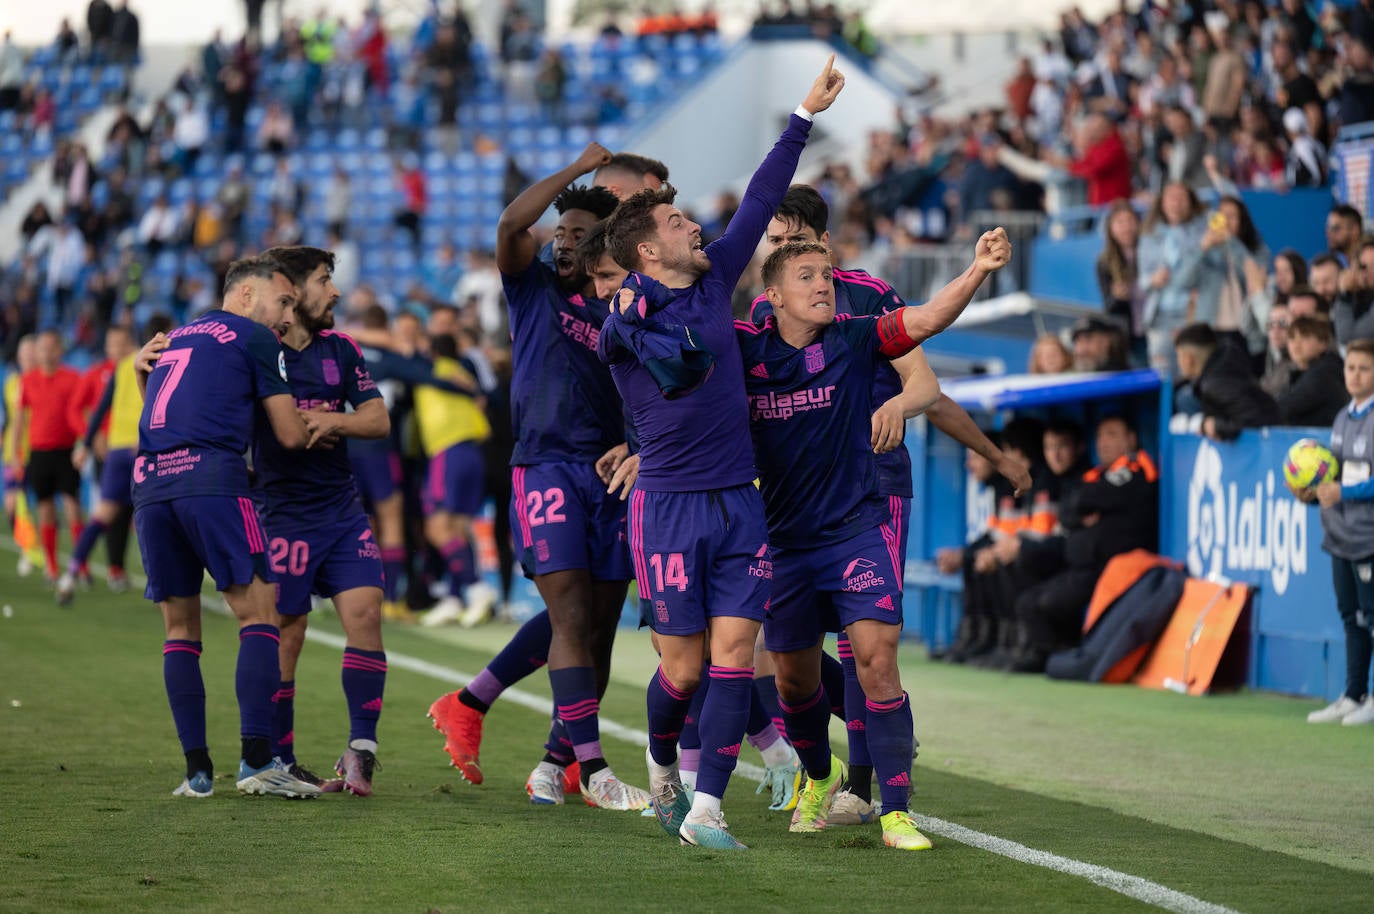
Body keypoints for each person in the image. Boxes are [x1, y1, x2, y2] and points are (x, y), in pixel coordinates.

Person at [598, 55, 846, 850]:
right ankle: (661, 759)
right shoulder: (625, 319)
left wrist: (803, 115)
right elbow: (619, 341)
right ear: (646, 252)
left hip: (740, 497)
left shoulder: (712, 284)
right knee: (685, 671)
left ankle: (706, 809)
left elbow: (762, 199)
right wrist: (631, 307)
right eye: (674, 223)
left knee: (738, 651)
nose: (693, 225)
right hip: (667, 507)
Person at [747, 183, 1028, 822]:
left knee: (867, 643)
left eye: (787, 238)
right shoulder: (767, 316)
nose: (778, 248)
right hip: (797, 502)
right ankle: (869, 738)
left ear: (819, 240)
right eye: (771, 241)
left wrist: (910, 411)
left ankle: (867, 786)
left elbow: (926, 380)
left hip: (875, 485)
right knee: (786, 655)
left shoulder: (866, 300)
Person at [431, 143, 646, 812]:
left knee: (601, 625)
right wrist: (574, 175)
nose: (563, 244)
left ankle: (552, 763)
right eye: (560, 232)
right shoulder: (532, 289)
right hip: (546, 465)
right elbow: (507, 228)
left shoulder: (623, 307)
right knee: (570, 612)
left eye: (578, 236)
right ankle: (597, 768)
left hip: (611, 473)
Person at [131, 254, 320, 799]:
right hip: (212, 480)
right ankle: (258, 761)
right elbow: (287, 434)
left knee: (180, 629)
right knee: (261, 614)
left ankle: (195, 773)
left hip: (151, 484)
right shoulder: (255, 339)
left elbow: (163, 406)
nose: (289, 314)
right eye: (283, 301)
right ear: (244, 295)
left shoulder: (178, 336)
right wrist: (328, 423)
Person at [254, 246, 391, 796]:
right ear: (293, 289)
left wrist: (329, 419)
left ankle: (361, 750)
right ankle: (281, 759)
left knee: (366, 611)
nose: (334, 291)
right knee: (289, 634)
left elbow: (377, 418)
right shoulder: (259, 351)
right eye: (323, 280)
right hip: (281, 515)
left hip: (340, 511)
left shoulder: (342, 350)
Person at [1008, 416, 1158, 672]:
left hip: (1111, 569)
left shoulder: (1136, 467)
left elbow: (1089, 497)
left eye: (1112, 434)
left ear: (1131, 439)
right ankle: (1051, 654)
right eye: (1100, 435)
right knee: (1027, 601)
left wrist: (1086, 507)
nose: (1104, 442)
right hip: (1081, 566)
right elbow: (1070, 507)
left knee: (1045, 602)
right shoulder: (1097, 473)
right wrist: (1084, 512)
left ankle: (1060, 657)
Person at [1298, 339, 1374, 725]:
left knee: (1372, 616)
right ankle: (1354, 694)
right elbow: (1335, 473)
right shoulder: (1343, 417)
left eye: (1364, 368)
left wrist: (1346, 490)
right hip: (1340, 536)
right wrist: (1311, 490)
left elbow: (1356, 481)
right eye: (1350, 368)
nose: (1355, 375)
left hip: (1369, 538)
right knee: (1351, 618)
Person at [59, 322, 152, 603]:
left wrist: (85, 446)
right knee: (124, 515)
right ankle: (72, 572)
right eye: (111, 345)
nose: (115, 350)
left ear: (130, 342)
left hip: (126, 450)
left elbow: (103, 408)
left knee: (108, 515)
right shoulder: (132, 365)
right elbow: (101, 408)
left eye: (120, 344)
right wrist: (85, 445)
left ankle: (71, 575)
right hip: (132, 451)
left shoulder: (133, 362)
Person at [8, 331, 85, 585]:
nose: (46, 353)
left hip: (65, 451)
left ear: (60, 350)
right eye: (42, 348)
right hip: (39, 452)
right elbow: (19, 418)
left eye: (51, 348)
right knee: (45, 508)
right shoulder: (27, 381)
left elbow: (82, 411)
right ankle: (51, 567)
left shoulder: (73, 378)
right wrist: (16, 452)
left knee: (73, 507)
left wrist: (83, 443)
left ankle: (79, 565)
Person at [1139, 182, 1208, 371]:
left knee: (1193, 370)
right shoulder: (1149, 234)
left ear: (1191, 202)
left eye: (1181, 197)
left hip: (1193, 313)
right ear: (1162, 202)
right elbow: (1142, 280)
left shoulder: (1203, 230)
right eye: (1171, 198)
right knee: (1162, 372)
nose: (1176, 203)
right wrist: (1153, 279)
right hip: (1160, 315)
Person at [1174, 322, 1279, 440]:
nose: (1178, 362)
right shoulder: (1226, 362)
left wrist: (1217, 426)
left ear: (1189, 359)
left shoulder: (1216, 384)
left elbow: (1254, 418)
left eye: (1178, 356)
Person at [1277, 316, 1349, 428]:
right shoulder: (1310, 371)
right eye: (1291, 338)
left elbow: (1286, 406)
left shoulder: (1325, 373)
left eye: (1305, 337)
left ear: (1323, 343)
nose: (1296, 344)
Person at [1097, 200, 1141, 339]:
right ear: (1110, 228)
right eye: (1120, 222)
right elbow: (1108, 307)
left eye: (1130, 221)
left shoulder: (1150, 251)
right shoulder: (1104, 262)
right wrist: (1117, 297)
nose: (1127, 227)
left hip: (1155, 324)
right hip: (1128, 334)